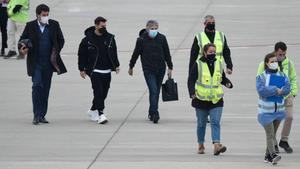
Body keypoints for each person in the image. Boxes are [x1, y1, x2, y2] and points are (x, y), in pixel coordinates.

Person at [19, 4, 67, 125]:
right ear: (38, 15)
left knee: (45, 89)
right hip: (35, 63)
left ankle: (42, 115)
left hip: (49, 63)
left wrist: (56, 50)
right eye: (43, 15)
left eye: (47, 15)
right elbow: (22, 40)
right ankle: (36, 115)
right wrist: (22, 48)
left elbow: (61, 40)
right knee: (36, 86)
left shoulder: (54, 24)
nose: (46, 17)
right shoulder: (30, 26)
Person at [188, 43, 232, 155]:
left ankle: (216, 145)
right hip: (201, 100)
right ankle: (201, 144)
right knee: (201, 124)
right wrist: (192, 93)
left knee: (215, 122)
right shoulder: (198, 64)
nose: (213, 54)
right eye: (210, 52)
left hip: (216, 99)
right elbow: (191, 80)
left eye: (214, 52)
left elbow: (221, 77)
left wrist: (227, 82)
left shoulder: (218, 63)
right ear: (205, 53)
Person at [128, 20, 173, 124]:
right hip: (148, 70)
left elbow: (167, 53)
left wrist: (170, 67)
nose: (154, 30)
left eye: (155, 28)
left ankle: (151, 111)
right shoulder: (141, 40)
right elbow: (136, 54)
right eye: (152, 28)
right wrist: (131, 66)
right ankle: (155, 113)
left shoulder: (162, 38)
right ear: (147, 28)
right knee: (153, 90)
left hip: (161, 69)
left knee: (156, 91)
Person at [78, 16, 120, 124]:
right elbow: (81, 55)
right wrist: (81, 69)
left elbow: (114, 52)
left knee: (104, 93)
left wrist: (116, 65)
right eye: (102, 26)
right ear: (96, 25)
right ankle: (101, 114)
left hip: (107, 70)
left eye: (105, 26)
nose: (104, 28)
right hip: (94, 70)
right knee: (98, 92)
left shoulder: (110, 38)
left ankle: (93, 110)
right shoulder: (87, 40)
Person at [257, 42, 298, 153]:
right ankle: (273, 144)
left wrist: (293, 92)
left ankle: (284, 140)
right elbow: (260, 79)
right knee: (273, 122)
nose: (282, 56)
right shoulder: (264, 63)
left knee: (289, 117)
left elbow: (293, 78)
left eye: (284, 54)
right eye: (280, 54)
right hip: (272, 98)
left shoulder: (288, 63)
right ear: (275, 52)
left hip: (286, 95)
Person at [256, 53, 290, 165]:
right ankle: (273, 154)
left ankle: (267, 156)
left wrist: (282, 91)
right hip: (266, 112)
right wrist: (275, 90)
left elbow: (287, 88)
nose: (274, 63)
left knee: (272, 135)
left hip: (278, 111)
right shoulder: (261, 77)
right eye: (272, 61)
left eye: (276, 61)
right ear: (267, 63)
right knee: (270, 134)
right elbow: (262, 91)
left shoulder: (282, 75)